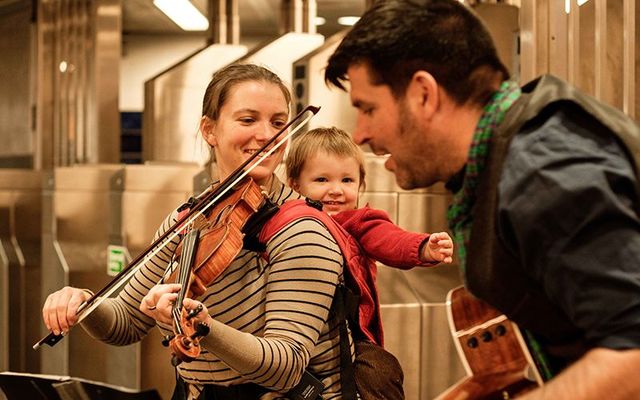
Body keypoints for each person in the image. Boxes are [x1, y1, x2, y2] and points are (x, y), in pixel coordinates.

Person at [324, 1, 640, 399]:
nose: (360, 134)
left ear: (423, 94)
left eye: (368, 109)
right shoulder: (503, 158)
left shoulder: (543, 169)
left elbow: (632, 354)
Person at [41, 63, 357, 400]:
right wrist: (84, 305)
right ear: (210, 130)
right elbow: (125, 322)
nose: (267, 135)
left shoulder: (303, 231)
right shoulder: (188, 219)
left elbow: (286, 366)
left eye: (278, 123)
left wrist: (203, 327)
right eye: (248, 120)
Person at [284, 126, 453, 399]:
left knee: (380, 370)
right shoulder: (287, 222)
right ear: (295, 183)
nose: (336, 190)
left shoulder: (358, 222)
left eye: (347, 180)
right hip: (297, 330)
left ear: (361, 184)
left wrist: (422, 247)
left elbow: (389, 240)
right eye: (322, 180)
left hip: (349, 334)